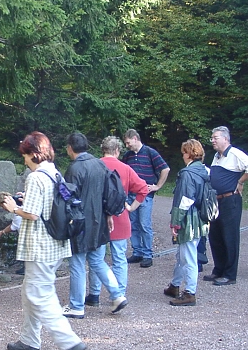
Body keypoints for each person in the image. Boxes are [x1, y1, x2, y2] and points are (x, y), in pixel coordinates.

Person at [2, 131, 87, 350]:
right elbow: (49, 203)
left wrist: (13, 207)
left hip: (40, 246)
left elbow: (32, 214)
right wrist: (27, 199)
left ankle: (69, 343)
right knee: (31, 291)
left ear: (33, 154)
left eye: (26, 157)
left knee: (39, 295)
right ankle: (29, 341)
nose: (25, 162)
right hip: (56, 244)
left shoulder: (36, 177)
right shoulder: (54, 172)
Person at [62, 132, 127, 318]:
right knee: (98, 261)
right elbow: (109, 193)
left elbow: (70, 198)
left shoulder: (74, 169)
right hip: (99, 222)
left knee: (77, 263)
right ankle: (117, 295)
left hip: (80, 224)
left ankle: (76, 305)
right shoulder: (99, 164)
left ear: (69, 148)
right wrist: (108, 215)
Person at [86, 136, 148, 307]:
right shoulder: (126, 168)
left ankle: (94, 293)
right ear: (118, 151)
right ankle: (118, 294)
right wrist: (132, 207)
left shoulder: (93, 166)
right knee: (119, 258)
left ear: (102, 149)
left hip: (98, 219)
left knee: (96, 258)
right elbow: (143, 189)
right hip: (120, 217)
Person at [205, 126, 248, 286]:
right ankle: (218, 269)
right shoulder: (217, 156)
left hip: (230, 200)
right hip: (216, 200)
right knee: (215, 235)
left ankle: (230, 274)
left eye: (215, 138)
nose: (212, 141)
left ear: (225, 139)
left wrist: (240, 181)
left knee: (229, 236)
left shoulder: (235, 153)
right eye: (212, 138)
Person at [165, 139, 210, 306]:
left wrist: (175, 223)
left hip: (189, 218)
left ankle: (190, 293)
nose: (182, 155)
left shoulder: (187, 174)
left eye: (184, 152)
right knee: (182, 254)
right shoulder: (205, 171)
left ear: (189, 153)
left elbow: (184, 200)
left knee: (188, 256)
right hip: (200, 217)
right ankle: (175, 285)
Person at [121, 129, 170, 268]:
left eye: (128, 142)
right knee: (133, 224)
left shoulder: (150, 152)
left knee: (144, 224)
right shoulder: (127, 156)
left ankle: (148, 254)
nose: (127, 145)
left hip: (145, 195)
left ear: (135, 138)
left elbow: (165, 169)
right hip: (130, 194)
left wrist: (157, 186)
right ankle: (137, 252)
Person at [0, 191, 25, 275]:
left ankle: (27, 269)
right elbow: (15, 224)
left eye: (2, 206)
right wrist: (2, 232)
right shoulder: (20, 205)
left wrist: (2, 232)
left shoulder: (17, 208)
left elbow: (14, 226)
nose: (4, 209)